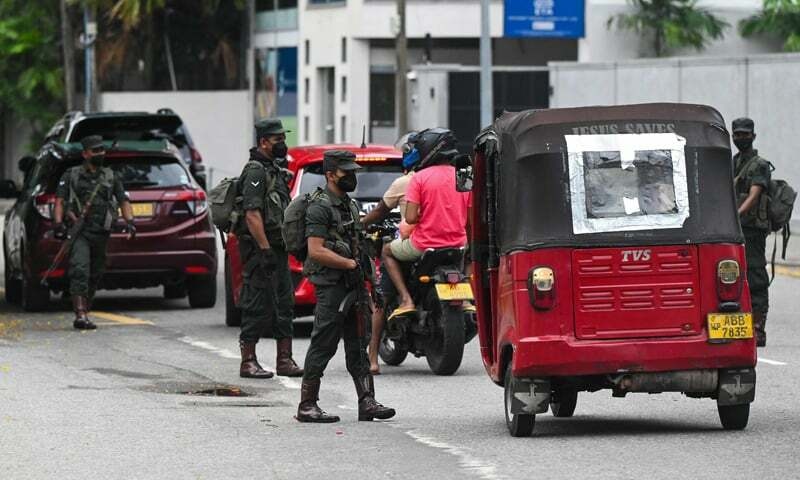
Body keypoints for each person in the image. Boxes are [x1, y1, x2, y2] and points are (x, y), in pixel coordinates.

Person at [296, 150, 396, 423]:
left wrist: (369, 279)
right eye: (346, 171)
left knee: (358, 345)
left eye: (353, 171)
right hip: (331, 286)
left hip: (355, 285)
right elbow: (315, 250)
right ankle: (307, 404)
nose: (352, 176)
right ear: (330, 174)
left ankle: (367, 401)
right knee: (323, 344)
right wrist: (348, 265)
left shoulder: (349, 206)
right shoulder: (319, 207)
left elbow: (357, 245)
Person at [236, 119, 304, 379]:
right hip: (259, 251)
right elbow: (252, 214)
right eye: (277, 139)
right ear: (263, 141)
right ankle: (248, 361)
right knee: (256, 303)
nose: (282, 143)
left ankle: (284, 360)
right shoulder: (254, 171)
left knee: (285, 303)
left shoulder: (274, 169)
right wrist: (264, 250)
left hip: (278, 248)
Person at [381, 128, 471, 319]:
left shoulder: (419, 178)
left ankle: (406, 299)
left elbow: (411, 218)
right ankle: (467, 298)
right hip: (459, 244)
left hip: (423, 245)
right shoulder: (463, 175)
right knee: (470, 257)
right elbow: (470, 216)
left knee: (387, 251)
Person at [53, 135, 136, 330]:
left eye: (102, 150)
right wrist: (58, 223)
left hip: (101, 232)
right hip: (80, 231)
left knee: (95, 272)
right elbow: (60, 200)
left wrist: (130, 222)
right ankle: (80, 314)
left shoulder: (110, 176)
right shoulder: (71, 175)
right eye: (95, 151)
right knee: (80, 269)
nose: (100, 154)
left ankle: (85, 308)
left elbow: (123, 200)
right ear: (85, 154)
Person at [361, 133, 420, 374]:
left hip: (416, 243)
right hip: (454, 244)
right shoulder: (450, 178)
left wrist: (360, 224)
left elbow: (380, 212)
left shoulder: (408, 182)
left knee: (381, 296)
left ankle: (372, 357)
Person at [732, 117, 771, 347]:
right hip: (735, 229)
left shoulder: (759, 165)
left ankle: (758, 327)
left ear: (753, 136)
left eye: (745, 134)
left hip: (752, 230)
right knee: (734, 275)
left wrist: (736, 214)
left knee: (756, 276)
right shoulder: (734, 162)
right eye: (737, 134)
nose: (741, 138)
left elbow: (755, 194)